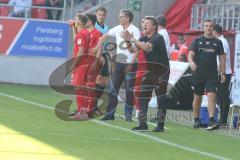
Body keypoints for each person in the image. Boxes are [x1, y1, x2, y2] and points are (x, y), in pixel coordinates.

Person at [121, 16, 170, 132]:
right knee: (143, 96)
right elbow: (133, 50)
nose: (144, 25)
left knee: (161, 98)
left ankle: (160, 125)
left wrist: (132, 38)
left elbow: (146, 47)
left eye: (147, 23)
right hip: (149, 71)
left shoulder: (158, 37)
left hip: (161, 72)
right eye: (143, 22)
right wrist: (127, 41)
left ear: (154, 26)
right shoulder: (143, 38)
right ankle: (143, 124)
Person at [95, 9, 141, 121]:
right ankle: (110, 114)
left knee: (129, 91)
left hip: (130, 64)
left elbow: (137, 48)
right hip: (119, 63)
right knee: (113, 89)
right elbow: (105, 36)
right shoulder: (118, 28)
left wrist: (132, 62)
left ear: (127, 18)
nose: (119, 18)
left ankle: (128, 115)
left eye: (121, 17)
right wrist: (97, 49)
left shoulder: (135, 30)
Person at [188, 19, 226, 131]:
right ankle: (196, 119)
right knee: (197, 97)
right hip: (198, 74)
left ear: (212, 28)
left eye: (210, 26)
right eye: (206, 26)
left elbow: (222, 58)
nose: (208, 28)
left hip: (212, 74)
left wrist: (222, 72)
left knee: (211, 96)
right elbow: (190, 54)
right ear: (203, 28)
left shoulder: (218, 42)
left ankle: (211, 120)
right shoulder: (197, 40)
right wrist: (191, 62)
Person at [69, 13, 90, 120]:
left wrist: (74, 64)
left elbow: (81, 51)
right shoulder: (83, 33)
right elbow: (76, 40)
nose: (74, 20)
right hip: (84, 63)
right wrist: (73, 28)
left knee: (79, 88)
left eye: (75, 19)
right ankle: (84, 112)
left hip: (81, 64)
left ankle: (81, 113)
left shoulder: (82, 34)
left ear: (80, 22)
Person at [213, 24, 232, 126]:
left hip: (224, 72)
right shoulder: (219, 41)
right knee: (220, 96)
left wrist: (221, 73)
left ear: (215, 31)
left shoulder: (222, 42)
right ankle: (222, 119)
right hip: (221, 72)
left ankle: (224, 120)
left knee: (224, 96)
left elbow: (222, 59)